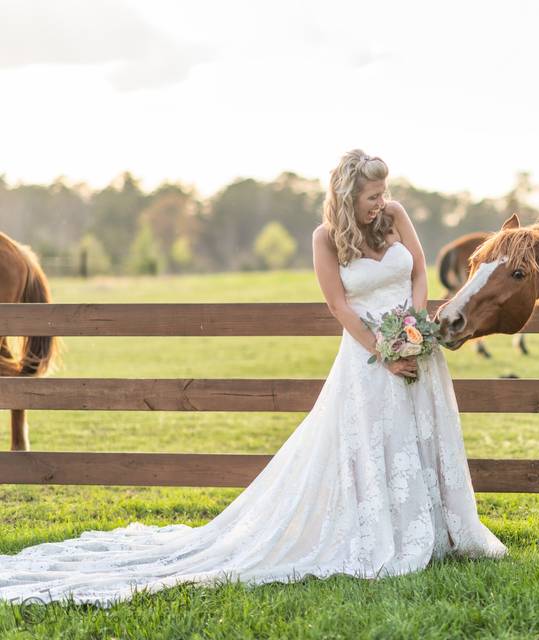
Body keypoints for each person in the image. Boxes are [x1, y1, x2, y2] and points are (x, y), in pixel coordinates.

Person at [0, 149, 506, 607]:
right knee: (374, 444)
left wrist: (414, 329)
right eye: (373, 196)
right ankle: (381, 531)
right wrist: (384, 351)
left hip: (413, 345)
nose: (382, 202)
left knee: (422, 436)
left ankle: (441, 530)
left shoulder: (395, 217)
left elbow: (418, 269)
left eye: (384, 194)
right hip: (367, 357)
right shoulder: (325, 239)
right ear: (349, 195)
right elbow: (338, 305)